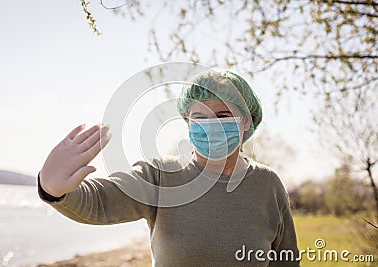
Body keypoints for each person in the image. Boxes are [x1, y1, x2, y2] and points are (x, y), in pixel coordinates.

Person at [37, 69, 301, 266]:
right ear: (188, 122)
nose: (211, 126)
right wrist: (53, 188)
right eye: (199, 117)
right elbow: (101, 201)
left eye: (223, 116)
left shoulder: (268, 184)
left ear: (246, 121)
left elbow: (287, 261)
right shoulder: (162, 177)